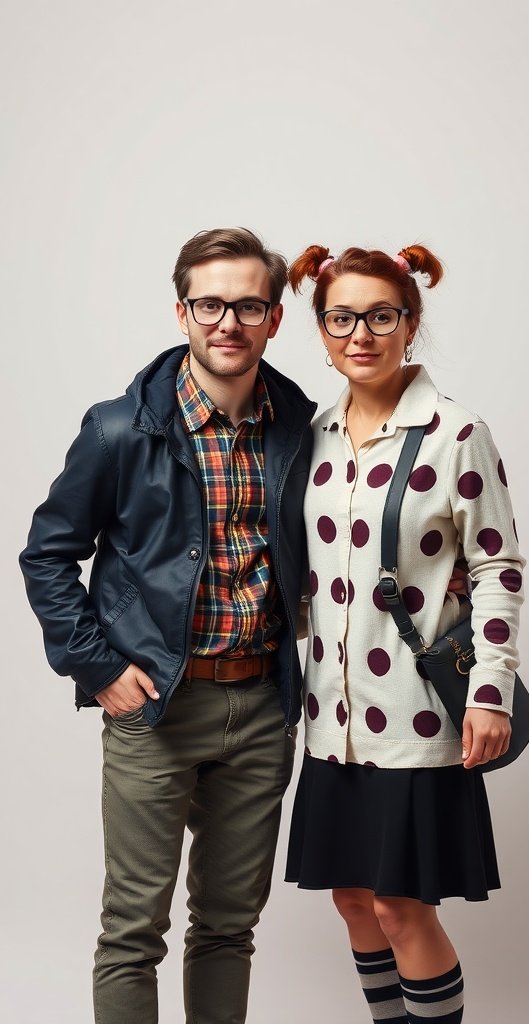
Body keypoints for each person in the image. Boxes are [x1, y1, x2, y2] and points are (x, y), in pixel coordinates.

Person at [19, 228, 317, 1024]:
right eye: (211, 303)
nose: (230, 321)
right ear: (182, 311)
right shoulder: (121, 428)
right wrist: (99, 668)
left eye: (249, 304)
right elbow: (47, 557)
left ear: (274, 318)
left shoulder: (303, 427)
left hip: (261, 708)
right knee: (132, 933)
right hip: (155, 707)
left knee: (227, 928)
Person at [285, 242, 524, 1024]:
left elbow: (497, 567)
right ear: (320, 330)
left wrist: (489, 694)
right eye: (342, 317)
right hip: (332, 720)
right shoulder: (311, 436)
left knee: (400, 909)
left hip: (417, 716)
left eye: (381, 315)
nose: (362, 333)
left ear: (410, 323)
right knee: (354, 901)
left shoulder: (456, 434)